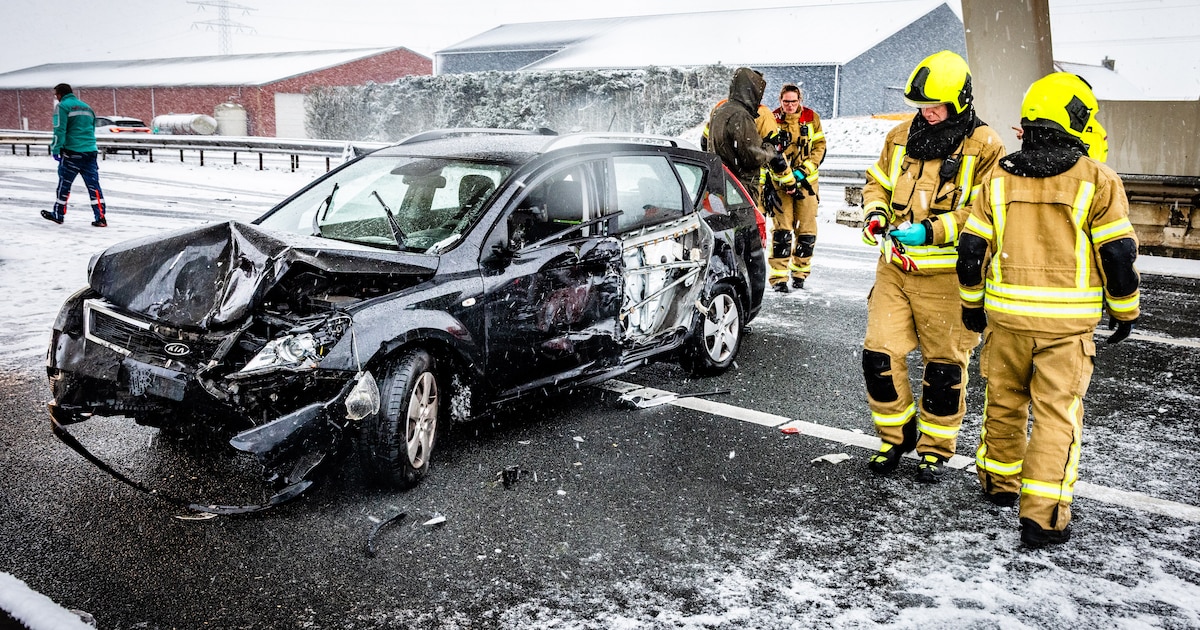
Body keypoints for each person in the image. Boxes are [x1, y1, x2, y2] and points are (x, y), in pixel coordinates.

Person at [956, 72, 1139, 547]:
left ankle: (998, 484)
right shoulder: (1097, 179)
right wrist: (1124, 311)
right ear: (1076, 117)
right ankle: (1042, 517)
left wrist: (974, 306)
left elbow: (972, 249)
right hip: (1066, 330)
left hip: (1005, 322)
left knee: (1004, 400)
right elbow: (1117, 256)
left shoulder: (997, 177)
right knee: (1057, 416)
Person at [859, 50, 1004, 482]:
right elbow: (877, 183)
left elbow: (987, 214)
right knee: (878, 358)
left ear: (961, 102)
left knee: (943, 369)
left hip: (947, 277)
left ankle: (936, 448)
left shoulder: (986, 145)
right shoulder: (900, 136)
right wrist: (875, 213)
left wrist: (932, 231)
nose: (928, 114)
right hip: (895, 271)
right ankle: (895, 435)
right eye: (922, 106)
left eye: (936, 107)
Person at [706, 67, 798, 211]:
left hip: (722, 184)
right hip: (741, 190)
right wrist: (770, 147)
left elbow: (705, 141)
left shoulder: (720, 110)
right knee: (747, 230)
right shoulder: (742, 116)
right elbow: (753, 156)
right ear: (752, 91)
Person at [767, 84, 826, 292]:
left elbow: (820, 148)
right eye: (786, 102)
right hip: (781, 185)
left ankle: (800, 274)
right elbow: (769, 154)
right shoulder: (772, 119)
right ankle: (779, 278)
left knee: (807, 232)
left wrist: (803, 171)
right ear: (780, 101)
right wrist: (785, 179)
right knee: (782, 231)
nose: (790, 106)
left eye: (793, 101)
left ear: (799, 100)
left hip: (807, 184)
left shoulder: (812, 118)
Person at [43, 83, 106, 227]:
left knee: (64, 185)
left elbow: (60, 130)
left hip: (72, 153)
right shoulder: (86, 107)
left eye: (56, 95)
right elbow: (91, 128)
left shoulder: (62, 107)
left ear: (60, 94)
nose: (56, 98)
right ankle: (100, 217)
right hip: (90, 152)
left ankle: (58, 215)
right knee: (94, 186)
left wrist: (56, 149)